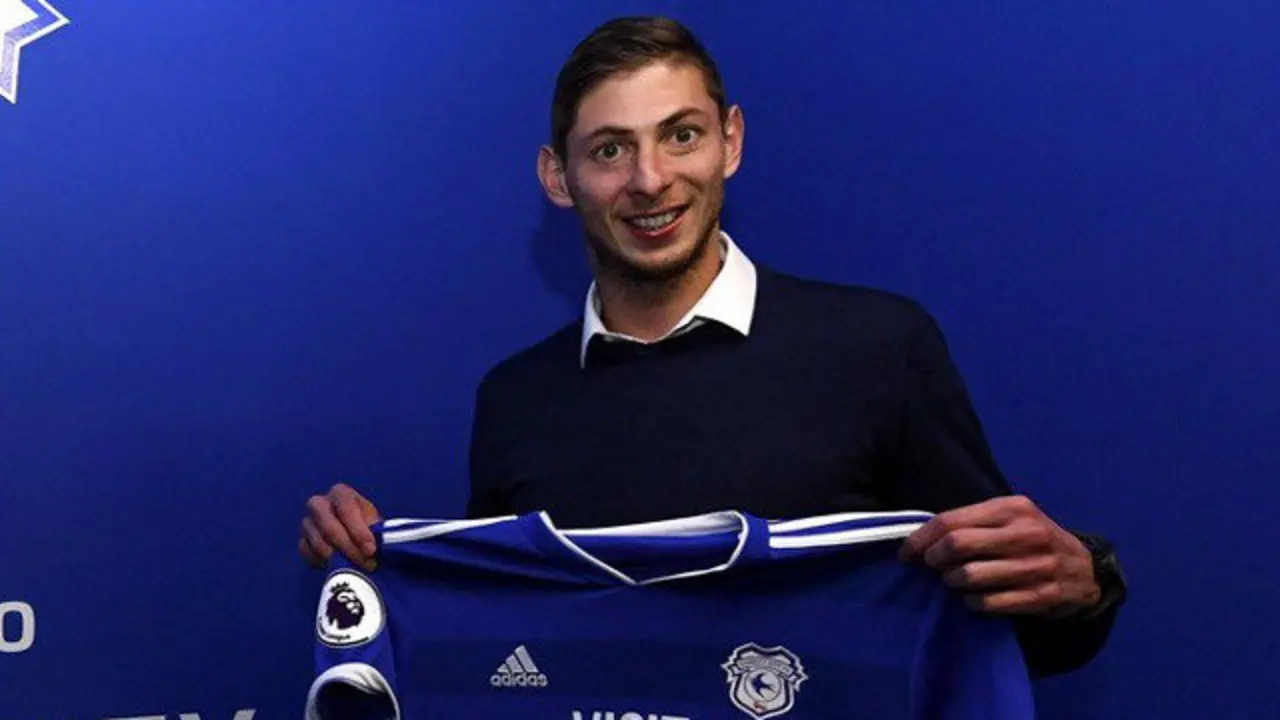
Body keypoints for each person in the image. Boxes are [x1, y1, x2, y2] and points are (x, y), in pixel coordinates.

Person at [298, 15, 1126, 678]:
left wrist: (1081, 586)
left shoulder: (879, 347)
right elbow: (497, 651)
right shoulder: (515, 396)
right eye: (611, 149)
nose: (651, 180)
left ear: (730, 139)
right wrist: (375, 559)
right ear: (558, 177)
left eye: (681, 135)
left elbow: (1021, 627)